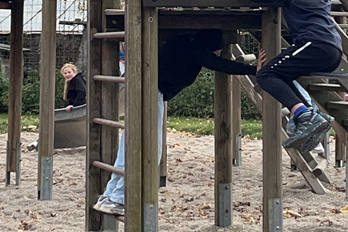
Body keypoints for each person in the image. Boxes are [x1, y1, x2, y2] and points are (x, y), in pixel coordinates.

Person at [94, 29, 256, 216]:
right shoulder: (196, 51)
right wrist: (254, 70)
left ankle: (110, 195)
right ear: (211, 45)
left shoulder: (181, 41)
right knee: (150, 150)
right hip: (150, 91)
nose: (218, 53)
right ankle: (118, 197)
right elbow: (223, 65)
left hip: (141, 87)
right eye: (217, 49)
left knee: (129, 144)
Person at [226, 0, 342, 154]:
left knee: (265, 74)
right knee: (282, 75)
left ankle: (305, 114)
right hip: (333, 49)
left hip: (314, 43)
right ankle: (307, 114)